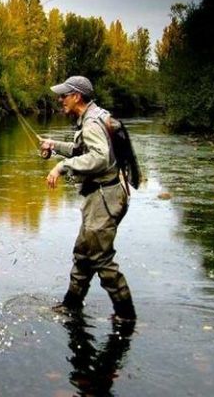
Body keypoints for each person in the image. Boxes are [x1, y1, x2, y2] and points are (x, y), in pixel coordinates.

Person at [40, 75, 136, 322]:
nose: (60, 99)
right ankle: (71, 305)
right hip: (104, 195)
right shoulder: (94, 116)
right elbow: (84, 150)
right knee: (84, 252)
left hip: (105, 198)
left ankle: (126, 316)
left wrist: (62, 166)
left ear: (77, 97)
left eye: (64, 95)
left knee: (101, 258)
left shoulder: (91, 123)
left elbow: (100, 158)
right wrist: (54, 145)